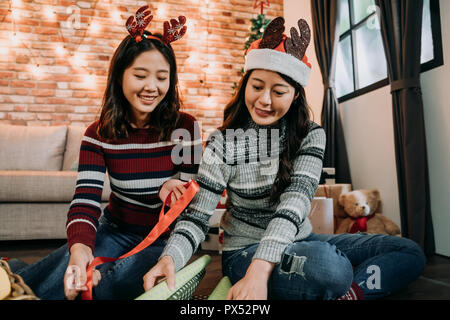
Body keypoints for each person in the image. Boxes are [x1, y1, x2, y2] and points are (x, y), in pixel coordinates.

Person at [144, 17, 426, 300]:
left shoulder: (311, 135)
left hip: (302, 241)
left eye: (278, 92)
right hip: (244, 252)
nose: (264, 100)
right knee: (329, 266)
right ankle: (336, 286)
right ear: (245, 87)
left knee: (407, 250)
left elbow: (295, 203)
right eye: (256, 87)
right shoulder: (222, 141)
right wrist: (170, 258)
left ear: (294, 96)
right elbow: (198, 216)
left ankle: (349, 294)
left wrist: (261, 272)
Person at [16, 6, 202, 300]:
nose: (152, 87)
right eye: (140, 75)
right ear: (119, 77)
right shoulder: (97, 134)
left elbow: (193, 203)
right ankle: (16, 282)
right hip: (115, 230)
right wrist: (80, 251)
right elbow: (85, 201)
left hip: (166, 241)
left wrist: (172, 191)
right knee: (72, 274)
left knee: (107, 286)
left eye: (162, 78)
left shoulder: (186, 127)